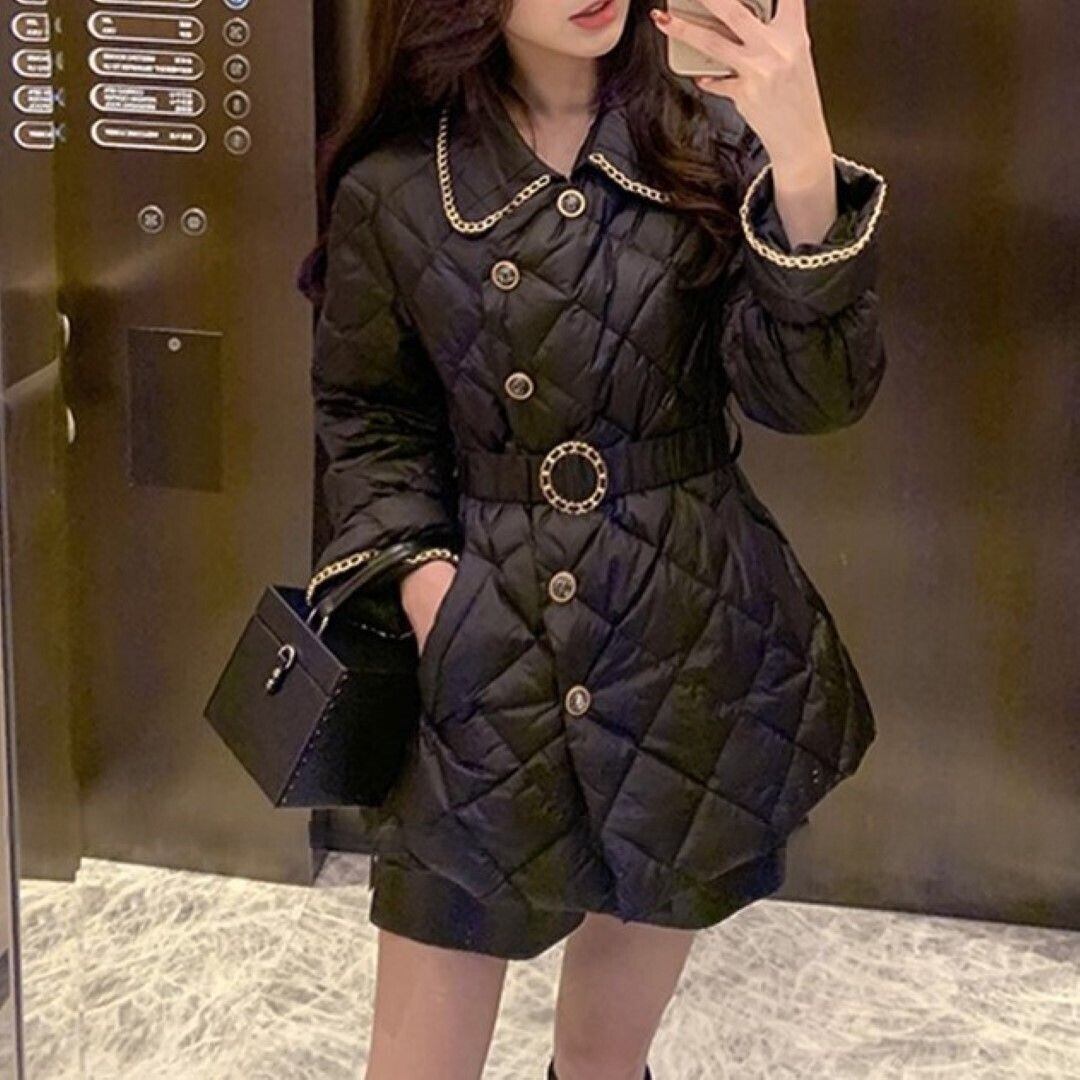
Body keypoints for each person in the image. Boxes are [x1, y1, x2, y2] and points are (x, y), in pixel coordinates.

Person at [296, 2, 888, 1077]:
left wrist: (802, 156)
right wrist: (428, 589)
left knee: (605, 1062)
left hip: (683, 630)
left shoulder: (709, 146)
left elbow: (814, 400)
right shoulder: (400, 183)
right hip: (486, 644)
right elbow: (368, 417)